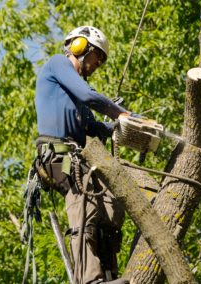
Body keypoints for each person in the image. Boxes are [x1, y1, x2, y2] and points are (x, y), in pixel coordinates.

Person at [34, 26, 130, 284]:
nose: (98, 63)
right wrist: (116, 111)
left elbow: (95, 129)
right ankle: (89, 280)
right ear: (80, 46)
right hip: (57, 154)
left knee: (111, 203)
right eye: (96, 55)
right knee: (83, 200)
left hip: (75, 156)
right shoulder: (58, 65)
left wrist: (123, 125)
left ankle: (109, 274)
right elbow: (89, 96)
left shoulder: (77, 98)